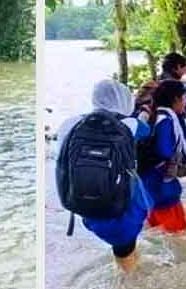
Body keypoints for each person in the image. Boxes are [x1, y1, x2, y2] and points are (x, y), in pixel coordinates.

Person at [56, 79, 152, 272]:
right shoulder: (129, 124)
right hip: (122, 206)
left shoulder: (69, 124)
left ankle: (126, 269)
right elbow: (145, 129)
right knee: (125, 254)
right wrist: (144, 113)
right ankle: (129, 286)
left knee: (122, 249)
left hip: (83, 203)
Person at [138, 79, 186, 232]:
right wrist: (178, 156)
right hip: (162, 187)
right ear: (176, 100)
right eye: (184, 97)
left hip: (150, 184)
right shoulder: (166, 120)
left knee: (157, 230)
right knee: (178, 234)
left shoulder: (154, 115)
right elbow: (165, 151)